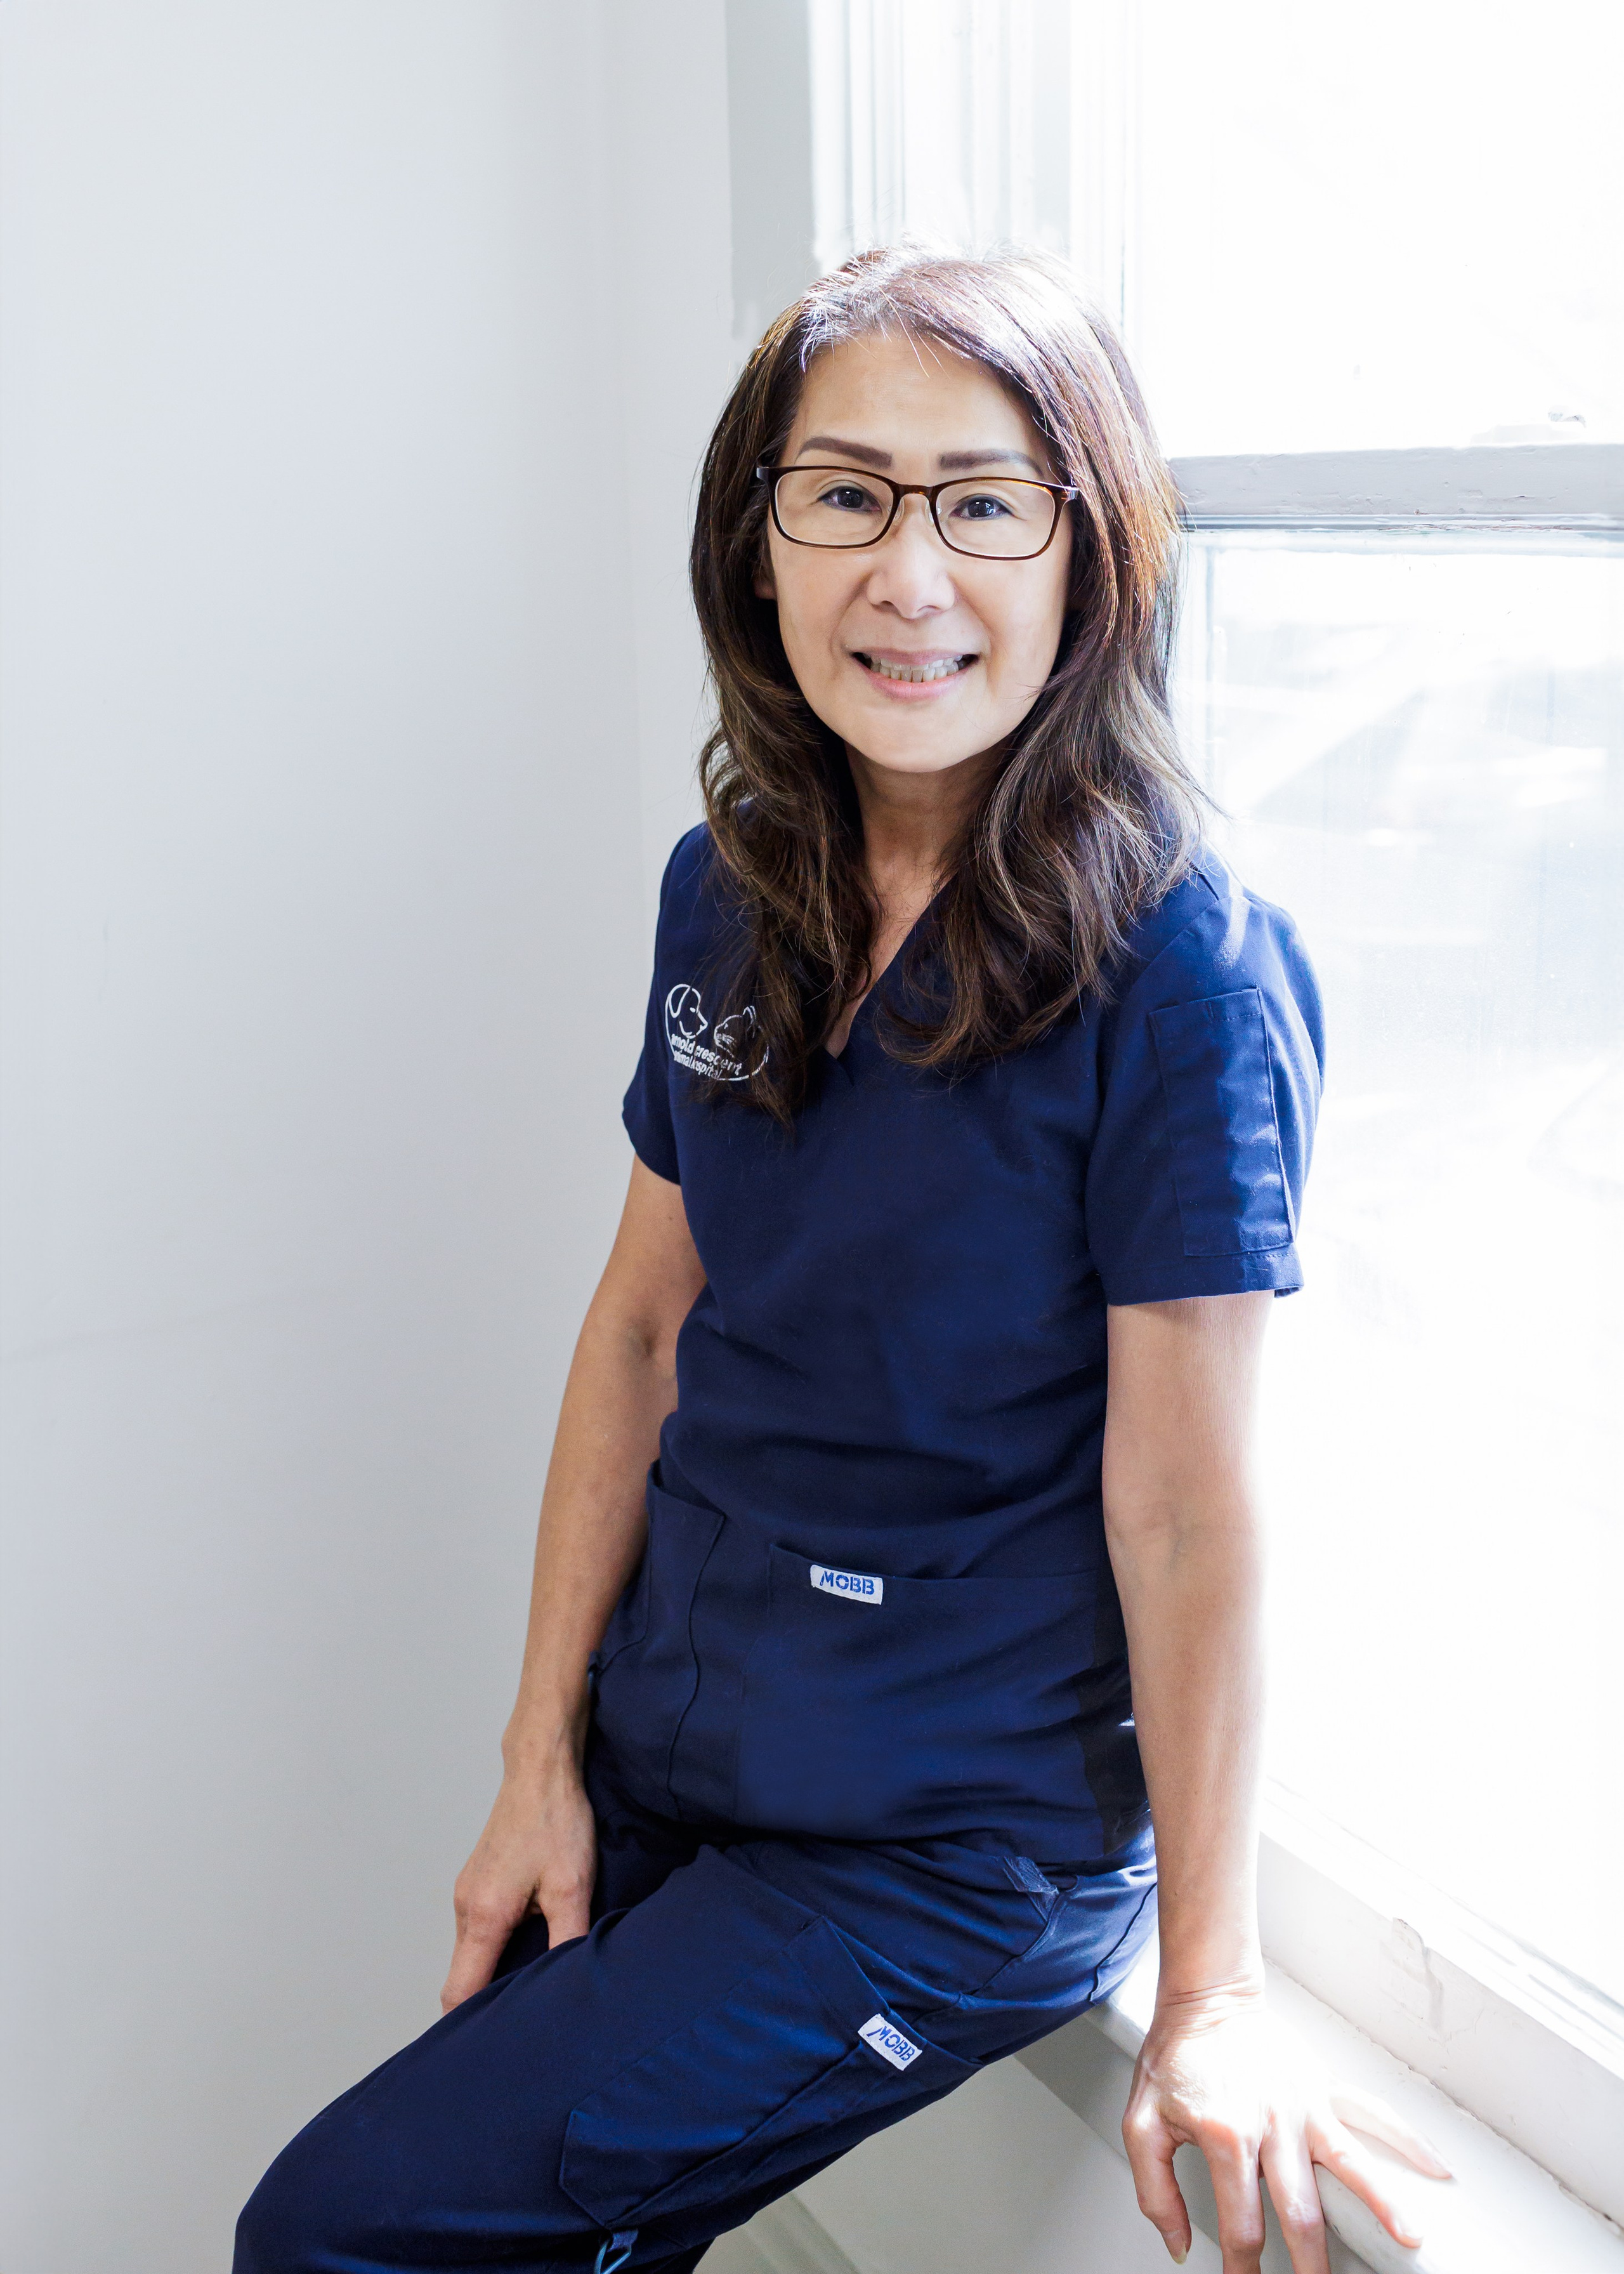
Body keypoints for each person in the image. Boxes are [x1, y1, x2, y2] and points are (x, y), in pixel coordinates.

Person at [235, 247, 1446, 2274]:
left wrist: (1217, 1986)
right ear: (759, 542)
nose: (912, 575)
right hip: (678, 1737)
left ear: (1091, 553)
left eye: (986, 503)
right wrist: (538, 1760)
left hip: (938, 1842)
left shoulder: (1185, 971)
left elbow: (1182, 1506)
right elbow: (639, 1333)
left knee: (341, 2232)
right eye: (848, 494)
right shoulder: (728, 895)